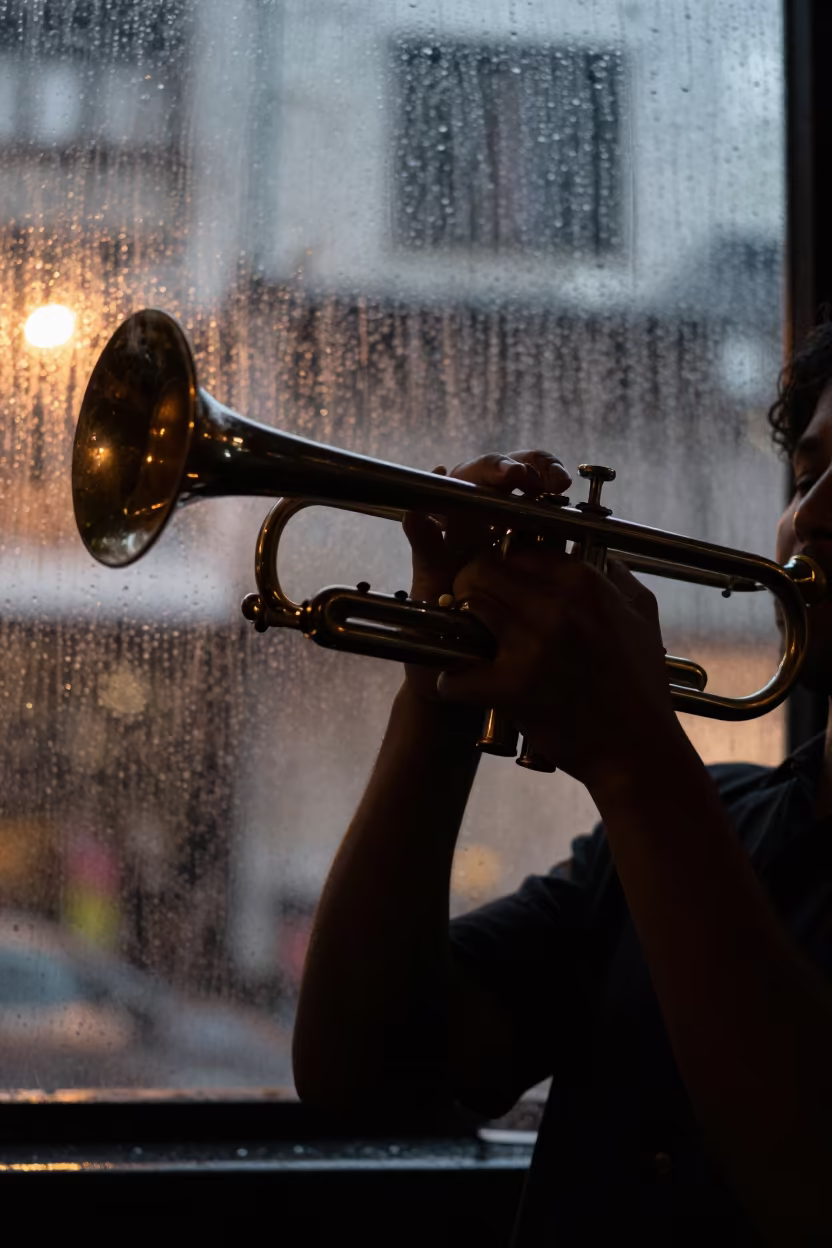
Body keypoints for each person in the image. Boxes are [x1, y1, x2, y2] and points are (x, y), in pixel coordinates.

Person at [292, 322, 832, 1246]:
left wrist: (637, 760)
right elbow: (362, 1070)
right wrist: (442, 686)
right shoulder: (711, 825)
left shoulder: (674, 813)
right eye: (807, 474)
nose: (811, 514)